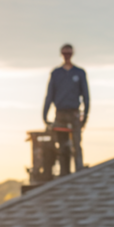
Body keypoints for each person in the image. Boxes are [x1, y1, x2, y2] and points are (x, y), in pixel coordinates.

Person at [43, 43, 90, 175]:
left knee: (76, 145)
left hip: (74, 114)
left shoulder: (79, 73)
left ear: (72, 54)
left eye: (69, 54)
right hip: (60, 115)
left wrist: (85, 116)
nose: (67, 56)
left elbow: (86, 96)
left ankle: (79, 172)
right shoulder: (56, 73)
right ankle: (65, 174)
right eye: (65, 54)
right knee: (62, 146)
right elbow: (49, 96)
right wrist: (45, 116)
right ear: (61, 55)